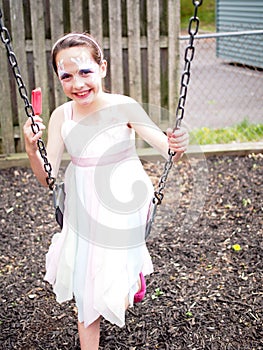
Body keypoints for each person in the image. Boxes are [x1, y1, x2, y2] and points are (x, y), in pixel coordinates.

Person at [23, 32, 189, 349]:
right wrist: (33, 149)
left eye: (85, 71)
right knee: (88, 287)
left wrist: (178, 145)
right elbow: (48, 178)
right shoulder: (62, 116)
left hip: (124, 201)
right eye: (67, 76)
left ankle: (130, 280)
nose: (77, 84)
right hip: (82, 205)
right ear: (58, 78)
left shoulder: (124, 106)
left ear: (103, 68)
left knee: (116, 288)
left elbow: (168, 151)